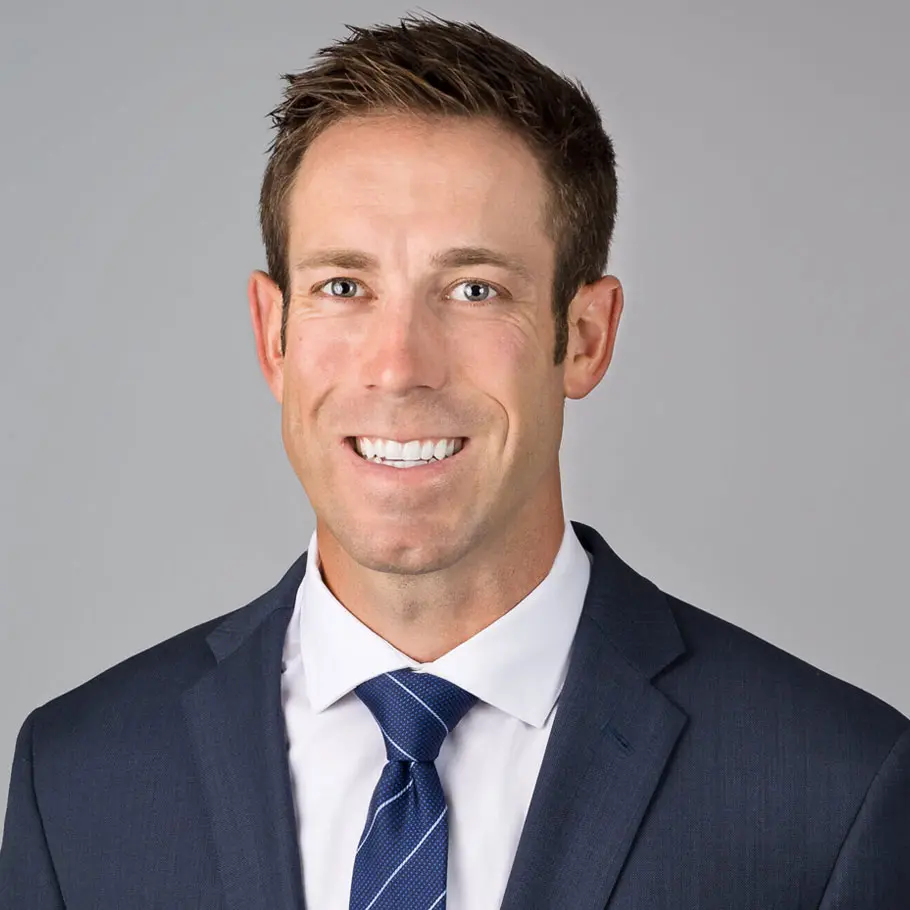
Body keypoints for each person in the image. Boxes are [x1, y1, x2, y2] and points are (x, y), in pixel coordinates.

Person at [1, 12, 907, 910]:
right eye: (343, 288)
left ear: (584, 337)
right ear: (272, 335)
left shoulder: (833, 793)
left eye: (474, 290)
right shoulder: (79, 779)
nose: (399, 365)